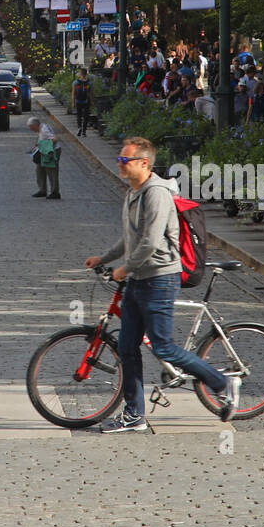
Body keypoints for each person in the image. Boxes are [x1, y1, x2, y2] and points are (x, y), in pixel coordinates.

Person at [85, 138, 235, 431]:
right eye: (119, 159)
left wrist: (124, 269)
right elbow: (130, 240)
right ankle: (135, 415)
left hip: (159, 279)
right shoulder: (133, 192)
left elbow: (150, 243)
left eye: (124, 160)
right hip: (138, 280)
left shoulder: (156, 194)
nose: (119, 164)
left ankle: (222, 383)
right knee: (127, 348)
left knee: (163, 348)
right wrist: (104, 258)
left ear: (144, 163)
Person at [28, 118, 61, 199]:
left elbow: (54, 139)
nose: (31, 130)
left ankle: (55, 192)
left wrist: (44, 146)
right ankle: (42, 190)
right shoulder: (41, 127)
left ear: (36, 125)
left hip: (51, 152)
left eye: (31, 128)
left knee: (52, 171)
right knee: (39, 169)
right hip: (43, 152)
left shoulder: (44, 130)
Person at [72, 69, 93, 137]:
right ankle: (84, 131)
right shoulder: (89, 83)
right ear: (86, 74)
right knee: (86, 116)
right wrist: (92, 101)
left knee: (79, 115)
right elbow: (90, 93)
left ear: (80, 74)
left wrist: (73, 102)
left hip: (78, 101)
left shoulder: (75, 82)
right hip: (86, 101)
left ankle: (79, 127)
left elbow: (73, 93)